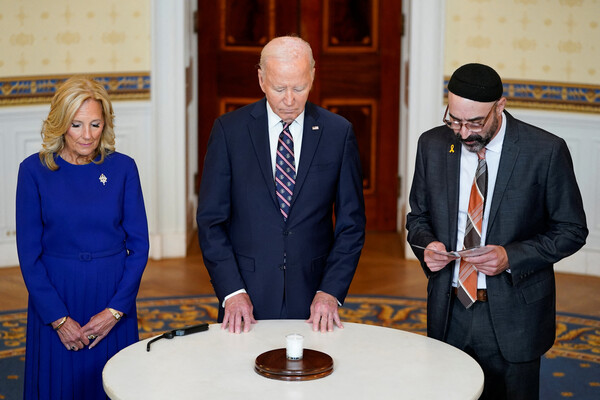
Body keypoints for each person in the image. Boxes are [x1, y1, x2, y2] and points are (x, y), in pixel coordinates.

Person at [406, 63, 588, 399]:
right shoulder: (432, 145)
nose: (462, 133)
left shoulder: (545, 151)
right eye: (454, 120)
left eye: (474, 122)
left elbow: (572, 230)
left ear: (500, 107)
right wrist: (426, 244)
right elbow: (417, 217)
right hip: (450, 308)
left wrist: (510, 256)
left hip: (514, 312)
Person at [196, 36, 366, 334]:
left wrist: (330, 291)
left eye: (299, 88)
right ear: (261, 79)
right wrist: (232, 292)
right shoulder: (229, 131)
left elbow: (351, 225)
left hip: (314, 296)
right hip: (245, 294)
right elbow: (211, 222)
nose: (290, 99)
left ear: (313, 76)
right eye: (279, 88)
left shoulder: (338, 133)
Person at [16, 76, 149, 399]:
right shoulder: (33, 171)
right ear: (61, 123)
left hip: (112, 295)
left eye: (95, 124)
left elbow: (140, 245)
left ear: (105, 124)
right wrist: (59, 320)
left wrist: (116, 310)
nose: (87, 135)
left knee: (113, 385)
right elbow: (29, 256)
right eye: (77, 125)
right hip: (56, 296)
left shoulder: (123, 168)